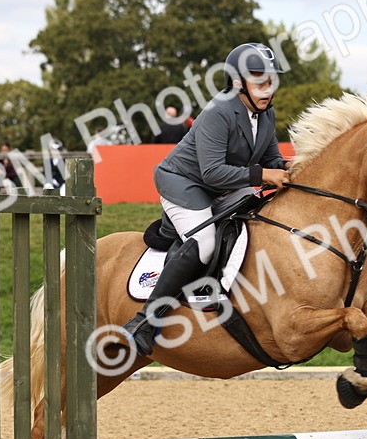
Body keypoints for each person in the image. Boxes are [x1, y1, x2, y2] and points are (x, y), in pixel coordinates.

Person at [122, 42, 291, 356]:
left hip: (223, 185)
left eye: (271, 81)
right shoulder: (219, 112)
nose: (268, 89)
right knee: (204, 242)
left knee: (259, 220)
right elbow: (212, 172)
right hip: (184, 182)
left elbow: (271, 159)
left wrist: (293, 167)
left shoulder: (266, 115)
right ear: (238, 83)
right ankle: (145, 320)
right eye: (260, 82)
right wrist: (264, 175)